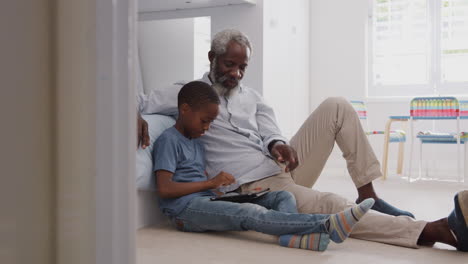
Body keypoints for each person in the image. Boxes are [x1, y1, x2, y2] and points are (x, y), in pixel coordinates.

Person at [140, 29, 468, 252]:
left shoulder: (251, 95)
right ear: (212, 57)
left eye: (243, 67)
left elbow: (270, 130)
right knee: (334, 206)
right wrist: (132, 117)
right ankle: (435, 231)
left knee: (336, 105)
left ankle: (370, 193)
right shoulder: (186, 93)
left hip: (278, 167)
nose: (236, 74)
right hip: (254, 186)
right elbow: (135, 101)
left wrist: (278, 145)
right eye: (229, 64)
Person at [153, 80, 376, 252]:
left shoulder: (197, 142)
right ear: (184, 110)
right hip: (185, 212)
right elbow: (165, 189)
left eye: (211, 122)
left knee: (282, 197)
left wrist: (218, 189)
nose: (208, 128)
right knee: (250, 212)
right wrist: (210, 183)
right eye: (204, 121)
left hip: (207, 200)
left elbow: (198, 181)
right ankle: (326, 225)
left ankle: (292, 238)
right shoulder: (168, 140)